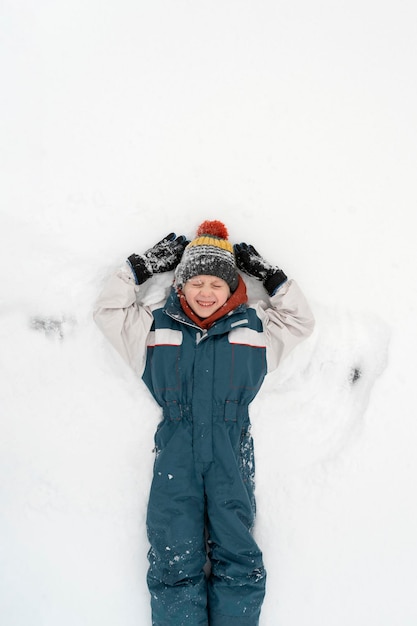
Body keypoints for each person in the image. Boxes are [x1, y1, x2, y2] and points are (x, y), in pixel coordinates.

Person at [93, 220, 315, 626]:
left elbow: (300, 320)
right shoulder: (156, 326)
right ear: (181, 285)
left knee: (238, 556)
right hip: (176, 455)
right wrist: (139, 268)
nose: (206, 292)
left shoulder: (254, 329)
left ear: (232, 288)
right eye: (197, 283)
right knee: (173, 557)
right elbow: (109, 311)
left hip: (231, 451)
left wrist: (272, 278)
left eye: (217, 284)